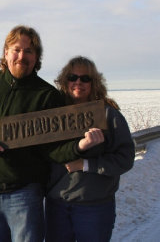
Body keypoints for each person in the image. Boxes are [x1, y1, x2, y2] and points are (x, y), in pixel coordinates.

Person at [0, 26, 98, 242]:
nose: (21, 56)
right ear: (6, 53)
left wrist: (79, 146)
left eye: (29, 51)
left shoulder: (46, 96)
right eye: (16, 49)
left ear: (37, 57)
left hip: (25, 193)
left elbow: (55, 149)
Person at [45, 56, 135, 242]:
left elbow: (125, 158)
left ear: (95, 83)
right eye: (73, 77)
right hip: (57, 205)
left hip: (94, 208)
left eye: (85, 78)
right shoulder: (53, 115)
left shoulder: (108, 115)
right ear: (64, 81)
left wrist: (86, 164)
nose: (78, 82)